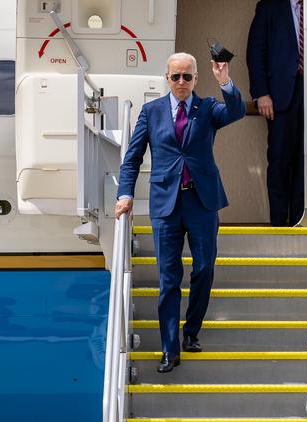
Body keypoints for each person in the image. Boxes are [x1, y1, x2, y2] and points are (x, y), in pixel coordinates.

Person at [115, 52, 246, 373]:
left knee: (204, 269)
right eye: (176, 77)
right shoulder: (151, 112)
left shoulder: (209, 108)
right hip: (165, 205)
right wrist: (125, 193)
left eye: (187, 77)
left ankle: (192, 332)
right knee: (168, 279)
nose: (181, 82)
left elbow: (237, 111)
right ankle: (169, 349)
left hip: (202, 202)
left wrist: (225, 81)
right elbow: (132, 158)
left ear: (196, 78)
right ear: (167, 78)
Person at [247, 0, 305, 227]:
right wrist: (261, 93)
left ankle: (301, 220)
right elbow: (255, 51)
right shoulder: (269, 6)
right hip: (280, 95)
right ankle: (279, 224)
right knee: (280, 159)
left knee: (306, 162)